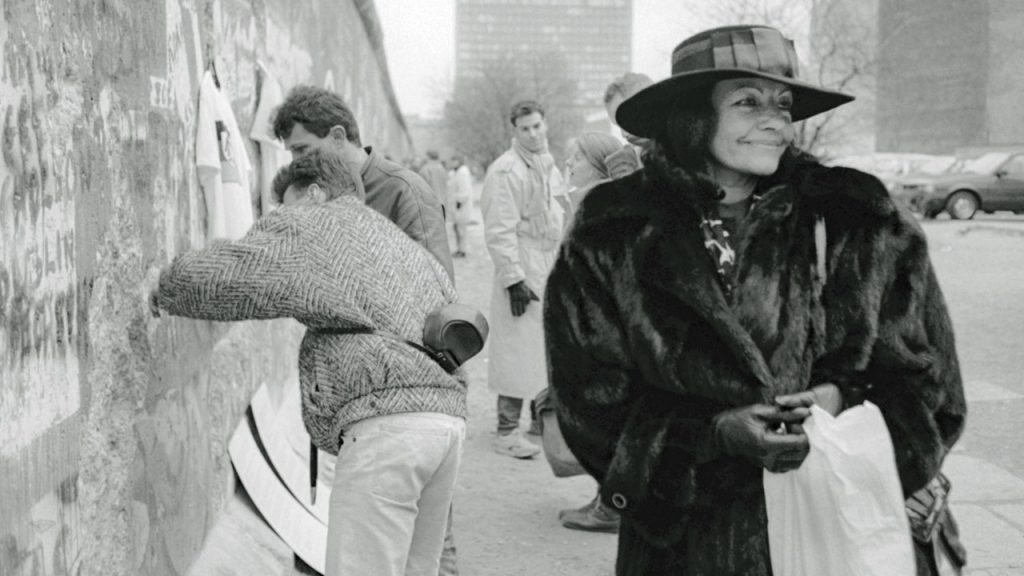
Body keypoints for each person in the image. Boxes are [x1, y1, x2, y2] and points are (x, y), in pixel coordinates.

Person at [543, 25, 966, 575]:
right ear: (692, 114)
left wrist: (839, 401)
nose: (774, 121)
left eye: (783, 105)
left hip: (835, 533)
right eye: (748, 102)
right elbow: (588, 401)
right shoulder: (613, 229)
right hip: (687, 550)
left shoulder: (855, 214)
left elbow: (931, 383)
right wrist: (712, 436)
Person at [150, 149, 467, 576]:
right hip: (446, 422)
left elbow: (234, 275)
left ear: (314, 193)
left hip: (388, 428)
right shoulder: (398, 244)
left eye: (286, 205)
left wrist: (168, 285)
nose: (280, 217)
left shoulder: (314, 224)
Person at [543, 130, 640, 533]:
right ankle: (607, 499)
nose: (568, 165)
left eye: (577, 158)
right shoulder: (593, 200)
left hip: (601, 331)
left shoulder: (600, 205)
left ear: (599, 165)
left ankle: (612, 507)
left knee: (608, 417)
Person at [272, 85, 454, 282]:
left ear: (337, 137)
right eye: (291, 152)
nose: (295, 161)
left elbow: (437, 287)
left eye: (301, 149)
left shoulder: (406, 190)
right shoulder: (312, 191)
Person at [481, 100, 565, 459]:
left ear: (546, 125)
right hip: (522, 262)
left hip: (547, 262)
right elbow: (499, 229)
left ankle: (539, 421)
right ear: (514, 130)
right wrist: (513, 279)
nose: (532, 134)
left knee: (544, 347)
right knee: (516, 348)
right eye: (525, 128)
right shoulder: (506, 170)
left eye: (537, 126)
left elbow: (558, 214)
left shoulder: (548, 164)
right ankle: (506, 431)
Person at [447, 154, 474, 257]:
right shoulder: (455, 172)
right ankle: (459, 249)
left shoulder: (462, 173)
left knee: (461, 230)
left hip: (461, 205)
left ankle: (462, 250)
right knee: (456, 228)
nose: (452, 163)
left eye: (454, 160)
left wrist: (459, 201)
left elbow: (464, 191)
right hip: (456, 204)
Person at [419, 150, 450, 218]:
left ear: (428, 157)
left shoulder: (425, 169)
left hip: (430, 203)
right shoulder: (442, 168)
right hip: (442, 201)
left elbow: (421, 187)